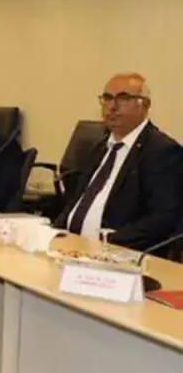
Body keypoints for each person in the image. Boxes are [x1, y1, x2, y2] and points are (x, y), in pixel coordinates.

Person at [55, 72, 183, 254]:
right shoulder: (99, 147)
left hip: (119, 253)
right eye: (107, 98)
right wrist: (55, 231)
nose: (112, 106)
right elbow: (78, 200)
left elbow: (162, 219)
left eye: (123, 98)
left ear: (144, 105)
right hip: (71, 246)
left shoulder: (161, 151)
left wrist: (107, 242)